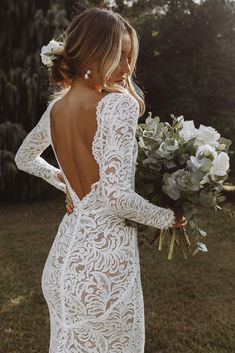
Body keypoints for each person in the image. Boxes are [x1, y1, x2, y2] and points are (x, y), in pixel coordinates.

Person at [14, 6, 187, 353]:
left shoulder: (56, 109)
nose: (126, 69)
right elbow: (118, 198)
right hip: (103, 274)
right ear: (93, 52)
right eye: (119, 56)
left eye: (130, 58)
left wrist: (64, 183)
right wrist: (170, 218)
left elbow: (23, 158)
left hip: (62, 265)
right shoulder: (116, 106)